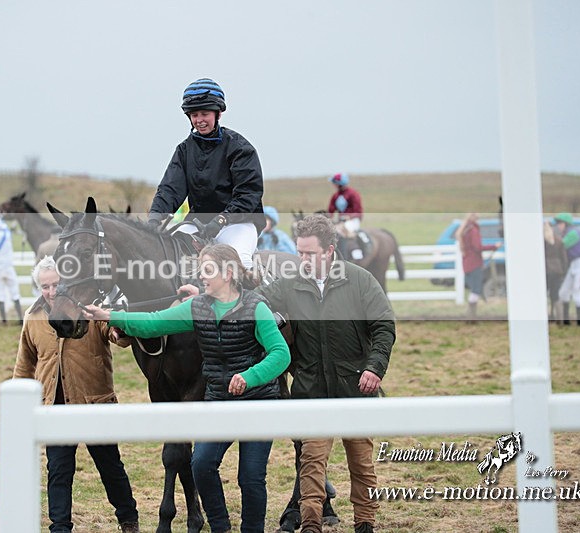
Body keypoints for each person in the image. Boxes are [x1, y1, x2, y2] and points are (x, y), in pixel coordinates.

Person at [176, 215, 393, 533]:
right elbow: (251, 301)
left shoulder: (360, 281)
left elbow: (384, 325)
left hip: (355, 387)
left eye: (309, 254)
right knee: (311, 464)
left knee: (361, 464)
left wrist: (374, 367)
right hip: (312, 391)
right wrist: (207, 296)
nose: (302, 260)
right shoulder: (290, 284)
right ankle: (310, 524)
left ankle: (365, 523)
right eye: (300, 252)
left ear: (329, 250)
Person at [83, 244, 290, 533]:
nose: (201, 277)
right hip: (219, 401)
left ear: (228, 274)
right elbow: (154, 323)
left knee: (250, 478)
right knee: (202, 465)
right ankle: (220, 527)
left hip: (258, 402)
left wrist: (249, 376)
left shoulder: (257, 308)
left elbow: (281, 354)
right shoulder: (197, 307)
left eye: (208, 270)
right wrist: (111, 316)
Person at [13, 256, 140, 533]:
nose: (51, 291)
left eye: (56, 284)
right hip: (54, 406)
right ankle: (60, 527)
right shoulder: (33, 317)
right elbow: (25, 364)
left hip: (94, 401)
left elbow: (117, 335)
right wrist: (17, 407)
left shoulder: (90, 309)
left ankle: (128, 518)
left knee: (109, 465)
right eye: (45, 286)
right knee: (58, 469)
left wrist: (120, 329)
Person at [147, 78, 266, 269]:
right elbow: (170, 189)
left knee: (239, 264)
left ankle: (256, 297)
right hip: (198, 224)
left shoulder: (241, 149)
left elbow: (248, 195)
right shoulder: (184, 150)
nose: (199, 120)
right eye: (194, 115)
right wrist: (154, 218)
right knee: (167, 258)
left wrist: (221, 220)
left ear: (218, 114)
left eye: (204, 114)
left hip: (237, 224)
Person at [454, 213, 501, 321]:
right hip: (474, 263)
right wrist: (494, 246)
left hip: (467, 264)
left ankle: (471, 315)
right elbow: (478, 247)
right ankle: (471, 316)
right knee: (476, 290)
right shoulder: (473, 231)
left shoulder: (464, 231)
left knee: (474, 289)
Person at [554, 212, 580, 325]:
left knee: (577, 292)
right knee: (563, 292)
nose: (558, 226)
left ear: (566, 223)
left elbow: (562, 245)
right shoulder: (567, 233)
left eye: (560, 223)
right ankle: (566, 321)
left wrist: (552, 239)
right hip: (573, 264)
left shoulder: (573, 232)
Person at [326, 173, 364, 260]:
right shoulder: (335, 196)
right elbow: (330, 211)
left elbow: (358, 211)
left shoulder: (353, 194)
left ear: (339, 183)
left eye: (334, 182)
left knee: (344, 230)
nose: (333, 185)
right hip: (340, 222)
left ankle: (356, 252)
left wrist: (349, 217)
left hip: (353, 221)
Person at [543, 220, 568, 322]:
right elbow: (564, 258)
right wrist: (564, 271)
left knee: (544, 295)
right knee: (556, 295)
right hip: (557, 271)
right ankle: (559, 319)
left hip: (546, 271)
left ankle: (547, 317)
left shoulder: (541, 242)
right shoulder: (559, 240)